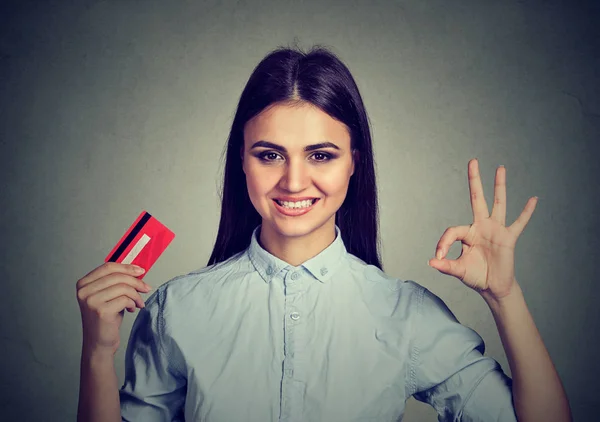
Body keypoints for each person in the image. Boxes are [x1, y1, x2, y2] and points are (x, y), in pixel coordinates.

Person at [76, 45, 572, 422]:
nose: (293, 181)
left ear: (354, 162)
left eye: (321, 155)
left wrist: (505, 297)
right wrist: (98, 356)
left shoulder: (405, 315)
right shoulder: (175, 310)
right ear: (241, 163)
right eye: (269, 154)